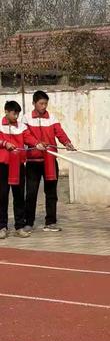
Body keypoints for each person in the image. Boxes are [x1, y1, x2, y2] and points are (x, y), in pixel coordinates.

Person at [23, 91, 75, 232]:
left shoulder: (52, 118)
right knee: (31, 193)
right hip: (33, 161)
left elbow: (59, 132)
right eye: (41, 104)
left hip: (50, 160)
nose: (44, 106)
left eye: (46, 104)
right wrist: (36, 143)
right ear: (34, 103)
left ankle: (50, 222)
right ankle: (28, 222)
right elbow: (25, 135)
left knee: (51, 192)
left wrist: (67, 143)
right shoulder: (26, 118)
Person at [0, 101, 45, 239]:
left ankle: (19, 226)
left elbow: (29, 138)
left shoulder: (21, 127)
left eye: (18, 113)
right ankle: (2, 227)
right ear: (6, 111)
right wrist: (4, 143)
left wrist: (37, 144)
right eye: (14, 113)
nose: (16, 116)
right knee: (2, 197)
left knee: (19, 197)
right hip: (3, 166)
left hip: (18, 165)